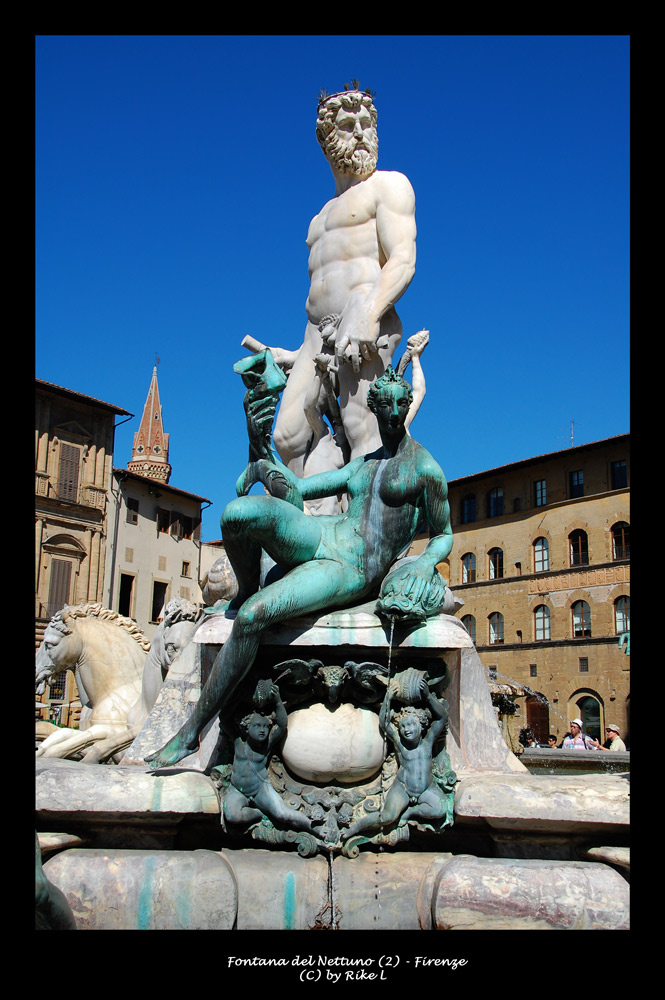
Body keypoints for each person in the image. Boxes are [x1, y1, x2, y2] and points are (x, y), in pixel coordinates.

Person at [146, 368, 453, 769]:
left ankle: (190, 734)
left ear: (407, 405)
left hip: (350, 567)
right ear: (375, 409)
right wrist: (259, 451)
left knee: (256, 616)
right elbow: (297, 490)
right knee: (238, 513)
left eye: (402, 402)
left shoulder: (425, 469)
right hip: (323, 534)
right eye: (387, 404)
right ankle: (242, 591)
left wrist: (425, 562)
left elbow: (444, 534)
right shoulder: (362, 466)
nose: (395, 411)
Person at [271, 87, 417, 481]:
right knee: (288, 435)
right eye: (349, 125)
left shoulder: (389, 185)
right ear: (325, 139)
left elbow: (403, 259)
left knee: (362, 429)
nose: (360, 133)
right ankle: (319, 521)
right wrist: (296, 351)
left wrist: (368, 313)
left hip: (364, 316)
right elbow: (320, 294)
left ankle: (364, 531)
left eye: (367, 124)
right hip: (316, 333)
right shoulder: (318, 220)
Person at [342, 677, 450, 840]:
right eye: (403, 726)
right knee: (387, 817)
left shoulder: (428, 742)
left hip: (426, 790)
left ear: (421, 726)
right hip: (403, 788)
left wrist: (428, 696)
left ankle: (409, 812)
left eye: (412, 725)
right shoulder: (401, 744)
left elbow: (442, 717)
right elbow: (385, 723)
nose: (407, 730)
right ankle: (353, 829)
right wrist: (387, 699)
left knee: (440, 809)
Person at [221, 684, 317, 833]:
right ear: (246, 727)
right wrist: (235, 697)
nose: (262, 730)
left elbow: (281, 725)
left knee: (282, 813)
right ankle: (259, 813)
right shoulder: (238, 742)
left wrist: (278, 702)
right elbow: (224, 719)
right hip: (237, 790)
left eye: (265, 727)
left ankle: (314, 828)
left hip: (260, 788)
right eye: (257, 726)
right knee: (233, 815)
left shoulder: (267, 744)